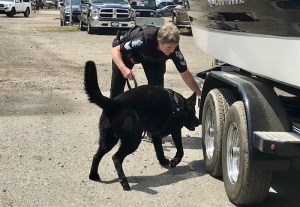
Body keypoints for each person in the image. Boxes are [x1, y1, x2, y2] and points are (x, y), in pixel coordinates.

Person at [110, 23, 201, 98]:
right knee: (116, 91)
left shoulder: (174, 50)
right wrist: (124, 69)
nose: (172, 51)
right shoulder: (143, 40)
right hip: (130, 55)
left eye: (174, 47)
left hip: (153, 59)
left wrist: (198, 93)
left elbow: (185, 73)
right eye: (169, 47)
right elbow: (115, 50)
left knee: (157, 92)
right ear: (159, 41)